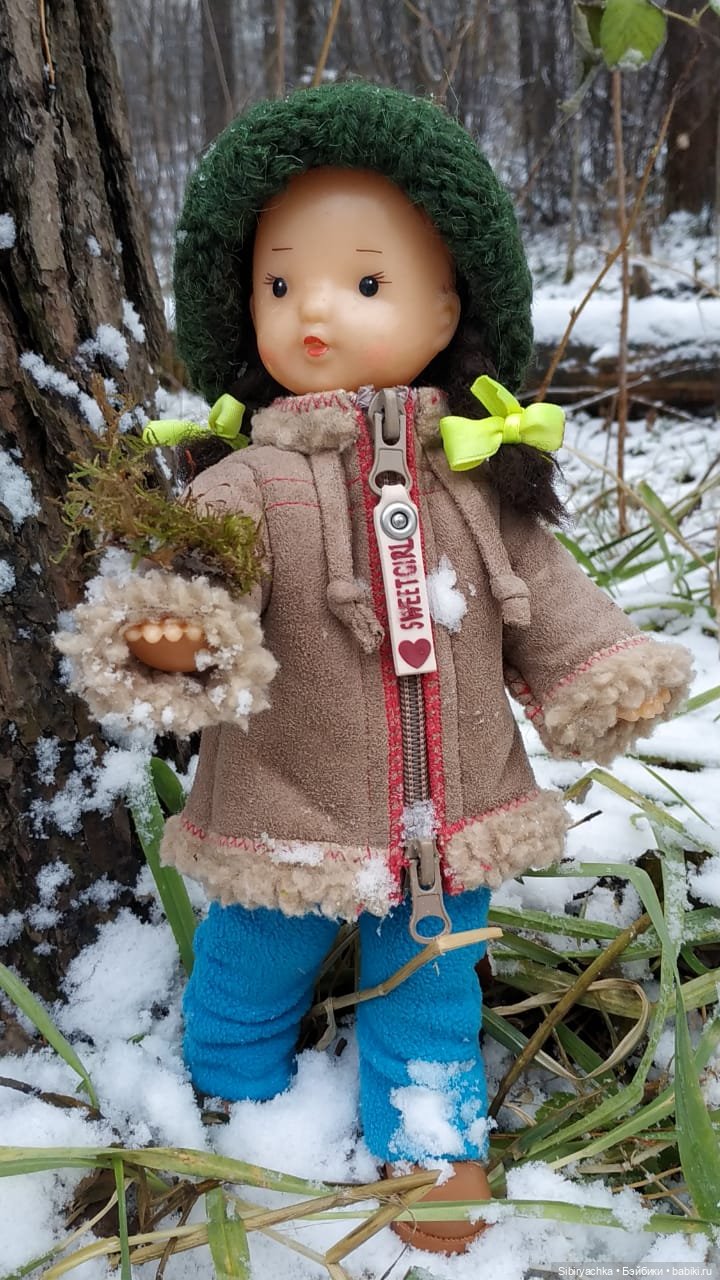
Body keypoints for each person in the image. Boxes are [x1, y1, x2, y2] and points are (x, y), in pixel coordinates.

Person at [57, 82, 692, 1255]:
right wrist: (177, 635)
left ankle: (431, 1135)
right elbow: (200, 582)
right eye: (280, 285)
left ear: (448, 306)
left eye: (364, 284)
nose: (313, 312)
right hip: (288, 803)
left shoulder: (480, 479)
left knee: (435, 980)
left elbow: (545, 596)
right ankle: (232, 1095)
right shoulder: (246, 483)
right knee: (251, 959)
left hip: (452, 816)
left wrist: (602, 670)